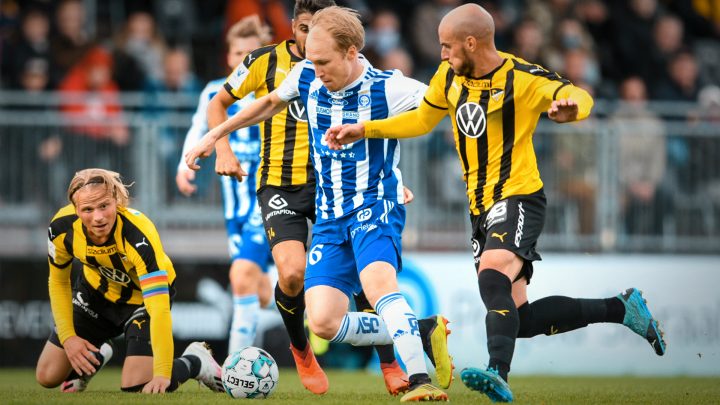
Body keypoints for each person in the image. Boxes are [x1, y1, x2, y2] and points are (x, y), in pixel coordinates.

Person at [325, 4, 667, 403]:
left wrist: (574, 110)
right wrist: (365, 129)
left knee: (492, 277)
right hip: (479, 207)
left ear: (471, 43)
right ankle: (622, 308)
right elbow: (421, 119)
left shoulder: (521, 77)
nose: (442, 54)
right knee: (519, 319)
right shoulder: (449, 76)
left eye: (447, 46)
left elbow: (575, 94)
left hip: (519, 195)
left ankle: (497, 372)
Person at [185, 6, 452, 402]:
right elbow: (269, 103)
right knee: (324, 321)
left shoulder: (388, 87)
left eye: (324, 61)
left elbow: (436, 109)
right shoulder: (307, 73)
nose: (316, 70)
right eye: (311, 60)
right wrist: (214, 136)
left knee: (377, 285)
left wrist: (372, 135)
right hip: (329, 215)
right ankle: (422, 328)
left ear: (351, 52)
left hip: (373, 205)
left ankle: (418, 380)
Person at [36, 168, 225, 394]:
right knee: (47, 376)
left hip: (142, 301)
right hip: (94, 294)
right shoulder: (60, 229)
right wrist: (68, 338)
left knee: (138, 387)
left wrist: (164, 373)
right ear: (76, 210)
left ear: (116, 201)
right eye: (87, 209)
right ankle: (99, 353)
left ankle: (195, 362)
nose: (97, 217)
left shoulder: (138, 235)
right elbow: (58, 283)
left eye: (104, 206)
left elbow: (159, 311)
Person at [176, 16, 274, 355]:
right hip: (234, 208)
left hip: (268, 198)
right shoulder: (214, 92)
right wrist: (183, 166)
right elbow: (197, 128)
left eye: (251, 53)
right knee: (260, 290)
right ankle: (306, 304)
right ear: (228, 56)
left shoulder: (276, 90)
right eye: (237, 53)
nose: (242, 60)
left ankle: (235, 366)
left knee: (241, 277)